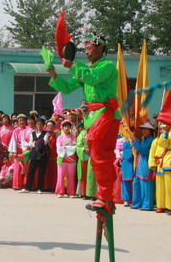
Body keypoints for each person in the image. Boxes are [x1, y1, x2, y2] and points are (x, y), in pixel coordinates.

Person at [49, 33, 120, 211]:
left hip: (106, 113)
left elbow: (92, 78)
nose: (86, 52)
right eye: (85, 48)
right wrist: (54, 75)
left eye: (89, 48)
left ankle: (106, 198)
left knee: (101, 155)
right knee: (96, 157)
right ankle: (103, 196)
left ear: (100, 48)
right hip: (93, 117)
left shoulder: (107, 66)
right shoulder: (86, 69)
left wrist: (73, 65)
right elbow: (67, 88)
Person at [131, 122, 155, 210]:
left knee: (146, 186)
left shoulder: (151, 140)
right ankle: (137, 203)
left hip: (146, 165)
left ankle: (147, 205)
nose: (143, 131)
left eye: (146, 129)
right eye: (143, 129)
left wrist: (134, 142)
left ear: (150, 131)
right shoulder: (144, 139)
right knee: (137, 185)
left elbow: (143, 150)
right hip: (141, 165)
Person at [21, 118, 50, 193]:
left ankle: (40, 188)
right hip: (34, 154)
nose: (39, 125)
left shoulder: (46, 134)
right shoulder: (32, 133)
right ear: (36, 125)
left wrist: (35, 143)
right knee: (31, 171)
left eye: (41, 124)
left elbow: (44, 143)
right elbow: (30, 144)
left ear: (43, 125)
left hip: (42, 154)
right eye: (38, 124)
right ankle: (27, 187)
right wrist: (37, 143)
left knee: (41, 172)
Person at [149, 122, 170, 212]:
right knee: (160, 187)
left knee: (168, 186)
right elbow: (152, 153)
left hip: (167, 161)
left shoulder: (167, 137)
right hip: (160, 164)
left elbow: (165, 144)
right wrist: (152, 164)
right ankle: (160, 205)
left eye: (164, 128)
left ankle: (169, 206)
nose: (162, 130)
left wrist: (166, 134)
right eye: (161, 128)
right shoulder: (156, 140)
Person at [55, 120, 77, 197]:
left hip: (71, 160)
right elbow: (58, 147)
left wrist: (65, 147)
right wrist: (65, 148)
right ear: (62, 128)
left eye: (68, 126)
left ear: (70, 128)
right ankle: (60, 192)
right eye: (65, 126)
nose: (67, 128)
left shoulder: (73, 137)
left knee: (71, 176)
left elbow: (74, 147)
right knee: (60, 176)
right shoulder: (59, 137)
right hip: (62, 159)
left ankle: (71, 192)